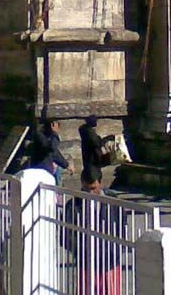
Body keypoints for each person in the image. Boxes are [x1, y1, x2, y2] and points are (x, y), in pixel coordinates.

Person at [63, 167, 123, 295]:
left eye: (93, 188)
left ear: (100, 184)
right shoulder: (73, 205)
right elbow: (66, 235)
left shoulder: (114, 202)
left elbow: (121, 227)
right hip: (86, 262)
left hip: (110, 261)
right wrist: (80, 251)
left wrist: (115, 250)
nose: (90, 193)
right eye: (86, 189)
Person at [30, 119, 72, 184]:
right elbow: (51, 148)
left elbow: (55, 153)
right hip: (40, 170)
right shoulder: (40, 136)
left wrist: (66, 165)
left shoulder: (48, 137)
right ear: (52, 125)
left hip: (47, 170)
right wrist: (54, 133)